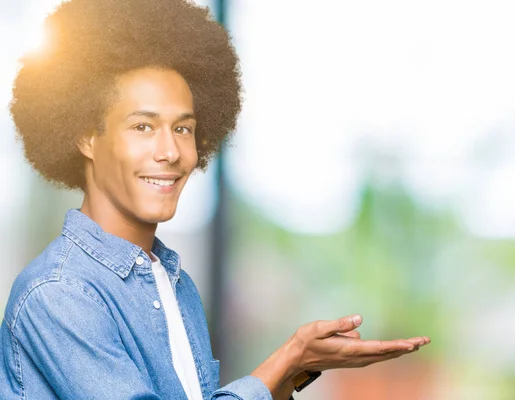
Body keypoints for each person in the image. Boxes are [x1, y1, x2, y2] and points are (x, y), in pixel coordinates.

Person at [0, 0, 431, 399]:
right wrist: (287, 358)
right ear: (85, 137)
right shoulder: (60, 295)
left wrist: (292, 373)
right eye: (143, 127)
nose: (170, 152)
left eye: (183, 129)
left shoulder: (171, 283)